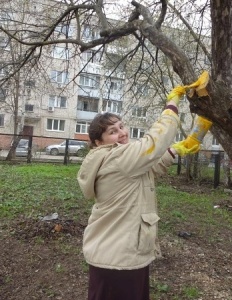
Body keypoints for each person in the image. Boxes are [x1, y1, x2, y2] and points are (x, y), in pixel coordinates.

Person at [77, 73, 211, 300]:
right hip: (118, 260)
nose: (122, 133)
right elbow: (154, 143)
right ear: (98, 143)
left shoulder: (120, 160)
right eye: (113, 132)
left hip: (121, 254)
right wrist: (172, 104)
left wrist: (181, 148)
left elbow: (149, 169)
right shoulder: (116, 157)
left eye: (121, 126)